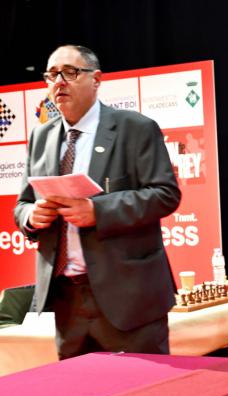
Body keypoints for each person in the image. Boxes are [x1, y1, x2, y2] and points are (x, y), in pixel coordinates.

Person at [14, 45, 181, 359]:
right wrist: (32, 216)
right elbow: (22, 204)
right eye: (51, 75)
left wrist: (98, 210)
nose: (59, 82)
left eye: (70, 72)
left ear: (97, 79)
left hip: (129, 298)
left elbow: (165, 195)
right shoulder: (41, 137)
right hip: (67, 300)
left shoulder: (135, 128)